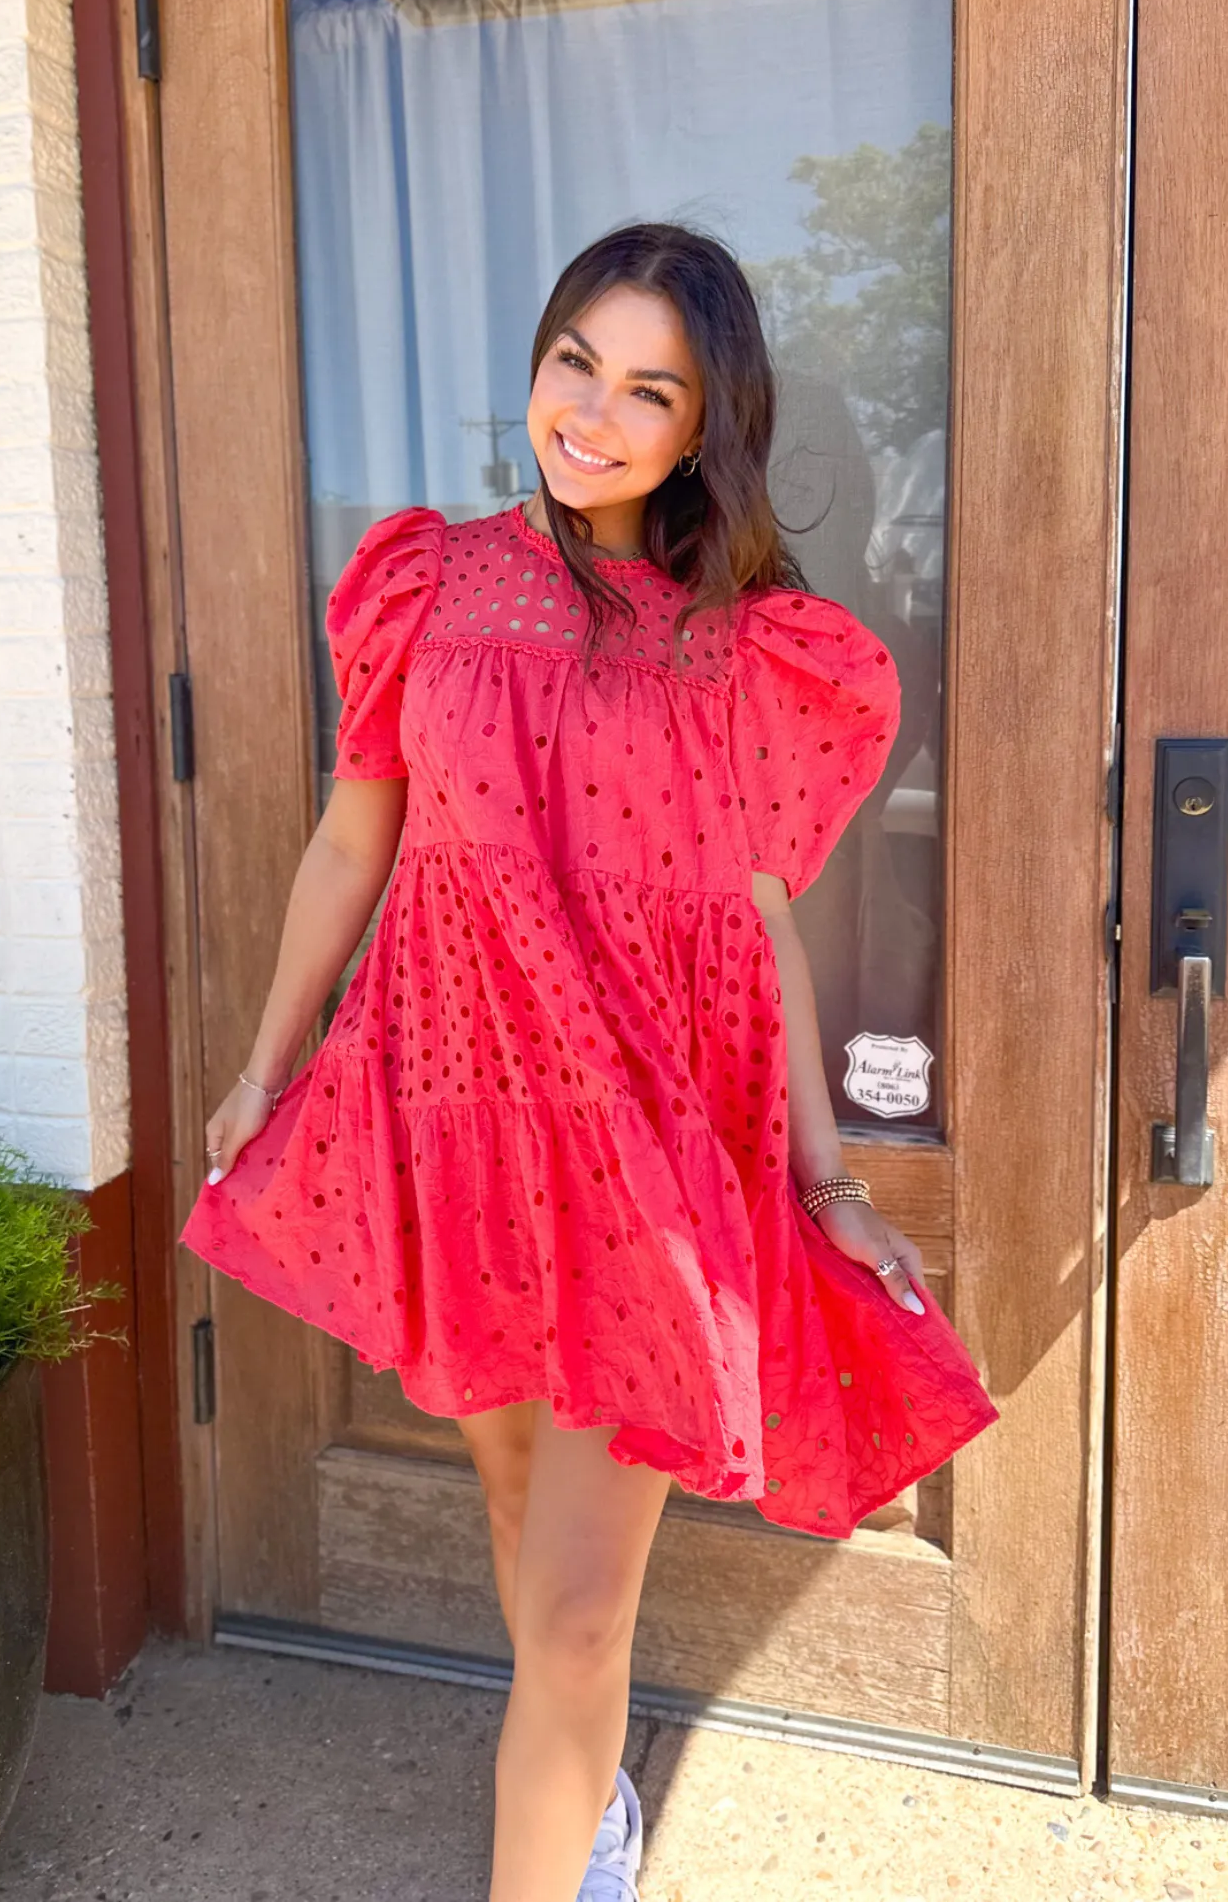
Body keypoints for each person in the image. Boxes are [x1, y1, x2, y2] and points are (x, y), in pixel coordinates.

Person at [184, 224, 998, 1902]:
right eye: (577, 363)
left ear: (703, 426)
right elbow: (353, 845)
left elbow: (754, 926)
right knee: (514, 1521)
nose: (596, 415)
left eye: (650, 390)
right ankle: (596, 1789)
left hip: (645, 1153)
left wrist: (827, 1176)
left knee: (570, 1604)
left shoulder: (752, 645)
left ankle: (558, 1838)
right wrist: (271, 1063)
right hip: (456, 1113)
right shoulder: (428, 580)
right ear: (540, 358)